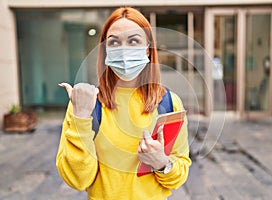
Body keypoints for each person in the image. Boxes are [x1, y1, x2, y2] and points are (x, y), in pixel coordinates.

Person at [56, 7, 191, 200]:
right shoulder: (86, 103)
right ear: (105, 50)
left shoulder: (169, 102)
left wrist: (162, 163)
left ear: (148, 48)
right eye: (114, 42)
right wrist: (81, 118)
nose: (124, 49)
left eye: (133, 41)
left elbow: (179, 176)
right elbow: (78, 180)